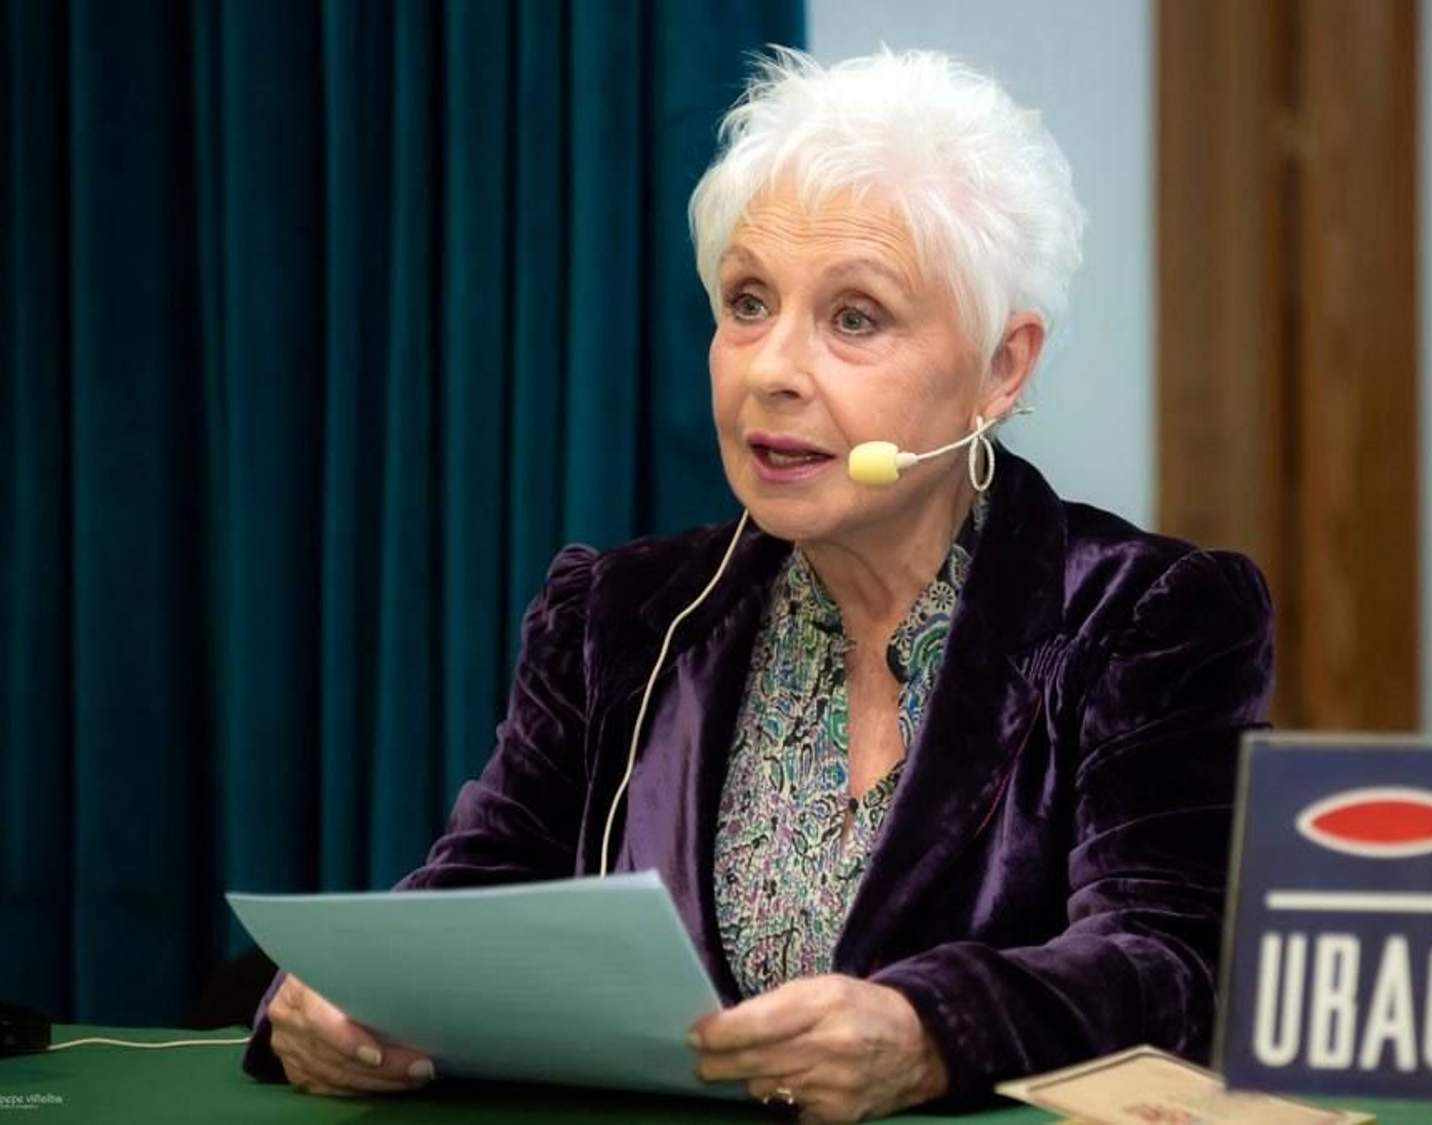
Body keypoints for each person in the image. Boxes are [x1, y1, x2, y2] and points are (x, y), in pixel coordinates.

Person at [241, 47, 1273, 1123]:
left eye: (854, 318)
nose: (770, 368)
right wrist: (334, 1003)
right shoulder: (617, 615)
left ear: (1002, 368)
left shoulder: (1147, 616)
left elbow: (1170, 963)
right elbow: (468, 904)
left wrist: (932, 1031)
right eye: (746, 303)